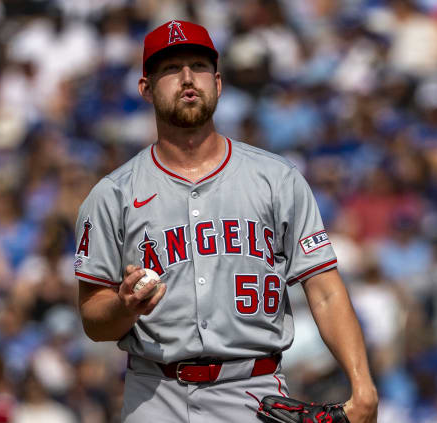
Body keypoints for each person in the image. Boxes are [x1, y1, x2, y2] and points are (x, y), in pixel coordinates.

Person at [75, 20, 378, 423]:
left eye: (198, 66)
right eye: (170, 68)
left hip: (254, 393)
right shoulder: (112, 195)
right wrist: (124, 306)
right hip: (154, 395)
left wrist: (363, 387)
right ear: (145, 88)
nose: (187, 78)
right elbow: (94, 320)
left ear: (217, 82)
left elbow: (324, 289)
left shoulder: (276, 179)